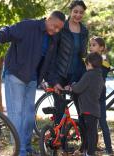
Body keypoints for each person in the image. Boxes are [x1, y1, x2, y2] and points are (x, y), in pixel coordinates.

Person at [0, 11, 65, 156]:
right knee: (17, 115)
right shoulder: (29, 26)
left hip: (32, 79)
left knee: (29, 116)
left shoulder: (53, 39)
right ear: (48, 19)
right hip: (15, 74)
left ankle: (26, 147)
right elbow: (8, 31)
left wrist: (55, 82)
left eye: (59, 28)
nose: (56, 30)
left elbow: (49, 64)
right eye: (55, 26)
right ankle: (19, 150)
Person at [46, 1, 88, 153]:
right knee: (60, 108)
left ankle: (85, 145)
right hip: (61, 73)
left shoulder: (84, 30)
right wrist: (52, 77)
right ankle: (57, 141)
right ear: (70, 11)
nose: (78, 15)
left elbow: (83, 53)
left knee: (82, 109)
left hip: (77, 73)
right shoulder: (61, 28)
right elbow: (53, 51)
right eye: (75, 11)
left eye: (81, 12)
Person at [65, 52, 104, 156]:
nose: (86, 67)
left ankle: (90, 152)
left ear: (89, 64)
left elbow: (78, 88)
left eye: (86, 64)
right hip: (95, 109)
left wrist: (72, 85)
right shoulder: (99, 76)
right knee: (92, 132)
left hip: (87, 108)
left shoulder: (88, 75)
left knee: (89, 133)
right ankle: (87, 151)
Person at [89, 36, 114, 154]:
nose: (91, 47)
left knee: (103, 123)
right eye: (90, 45)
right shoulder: (88, 60)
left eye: (94, 45)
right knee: (91, 123)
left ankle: (109, 148)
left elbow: (100, 74)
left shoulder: (104, 63)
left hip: (99, 97)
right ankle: (91, 146)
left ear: (102, 48)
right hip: (89, 96)